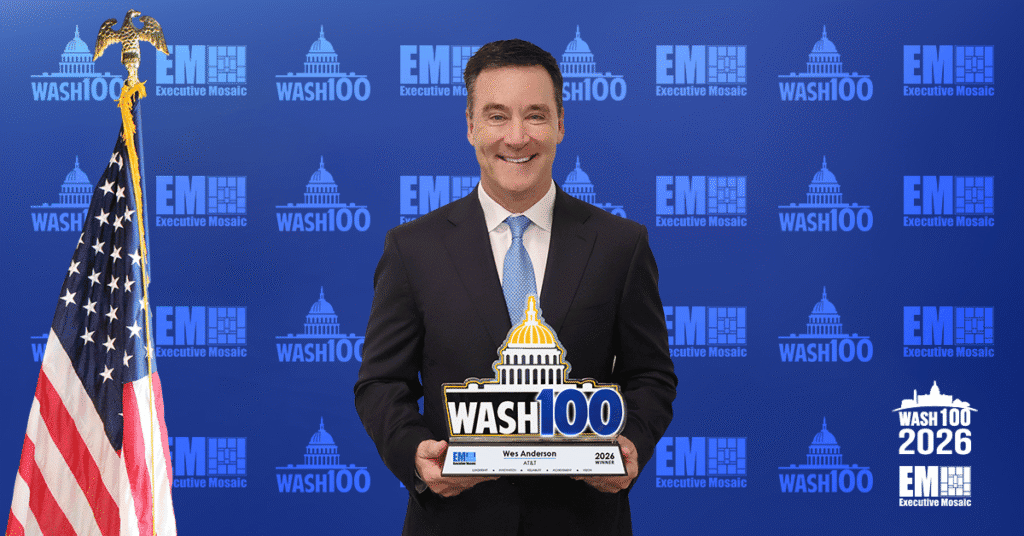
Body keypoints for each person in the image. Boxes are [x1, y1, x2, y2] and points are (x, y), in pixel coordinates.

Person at [354, 39, 676, 535]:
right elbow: (381, 383)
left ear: (561, 124)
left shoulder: (620, 245)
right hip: (455, 522)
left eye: (536, 116)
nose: (517, 137)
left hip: (582, 521)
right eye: (497, 116)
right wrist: (414, 453)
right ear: (471, 127)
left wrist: (630, 442)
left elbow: (651, 374)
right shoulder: (412, 248)